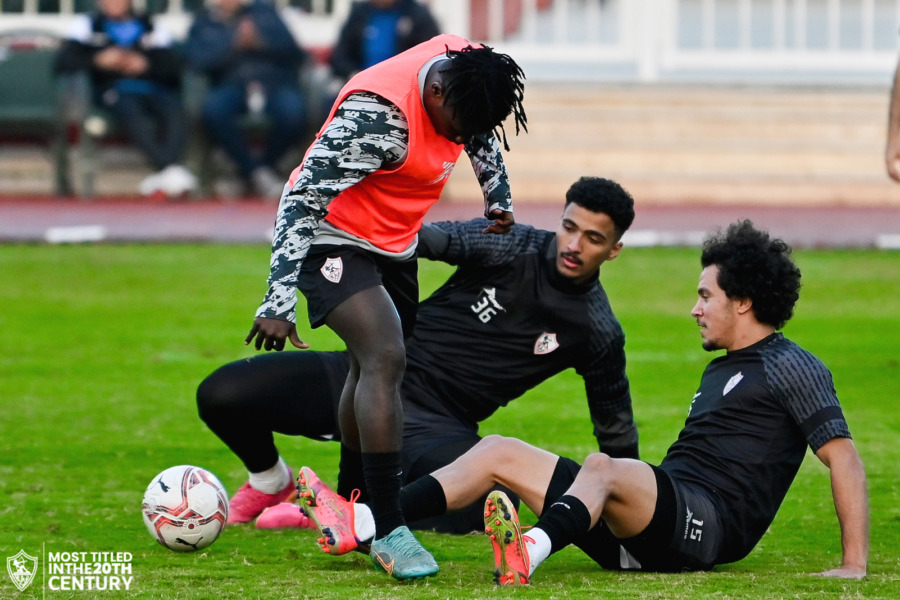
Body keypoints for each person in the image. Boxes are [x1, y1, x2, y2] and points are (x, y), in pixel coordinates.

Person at [298, 220, 869, 583]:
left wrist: (854, 565)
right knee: (497, 450)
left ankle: (529, 549)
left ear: (743, 303)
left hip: (706, 527)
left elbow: (842, 457)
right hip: (654, 523)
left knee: (604, 467)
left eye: (705, 295)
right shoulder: (725, 369)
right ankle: (370, 521)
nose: (696, 308)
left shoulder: (791, 364)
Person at [198, 176, 639, 537]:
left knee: (482, 509)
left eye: (593, 238)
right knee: (222, 394)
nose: (574, 245)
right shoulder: (513, 244)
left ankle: (343, 509)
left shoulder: (597, 330)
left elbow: (615, 429)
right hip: (371, 372)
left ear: (614, 250)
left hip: (438, 426)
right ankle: (273, 483)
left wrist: (636, 504)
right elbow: (426, 239)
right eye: (569, 227)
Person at [242, 33, 527, 580]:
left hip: (394, 240)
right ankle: (391, 527)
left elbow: (482, 128)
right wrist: (278, 297)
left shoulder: (468, 68)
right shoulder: (376, 118)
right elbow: (301, 199)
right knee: (384, 356)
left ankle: (353, 509)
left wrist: (497, 194)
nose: (465, 138)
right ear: (435, 91)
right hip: (331, 235)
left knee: (367, 367)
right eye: (459, 126)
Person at [54, 0, 197, 198]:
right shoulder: (87, 25)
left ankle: (166, 171)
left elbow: (173, 68)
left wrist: (145, 64)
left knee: (174, 110)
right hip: (114, 91)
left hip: (152, 89)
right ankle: (171, 169)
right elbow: (64, 62)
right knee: (129, 110)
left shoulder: (150, 26)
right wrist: (98, 60)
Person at [185, 0, 309, 198]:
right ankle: (258, 174)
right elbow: (196, 61)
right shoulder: (204, 22)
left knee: (293, 113)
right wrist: (232, 44)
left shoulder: (265, 14)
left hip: (273, 82)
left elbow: (295, 53)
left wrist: (261, 41)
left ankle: (252, 171)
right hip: (230, 83)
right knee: (213, 111)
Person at [319, 0, 441, 117]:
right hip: (359, 87)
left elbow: (431, 57)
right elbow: (340, 55)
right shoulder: (359, 14)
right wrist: (353, 75)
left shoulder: (418, 16)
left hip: (403, 93)